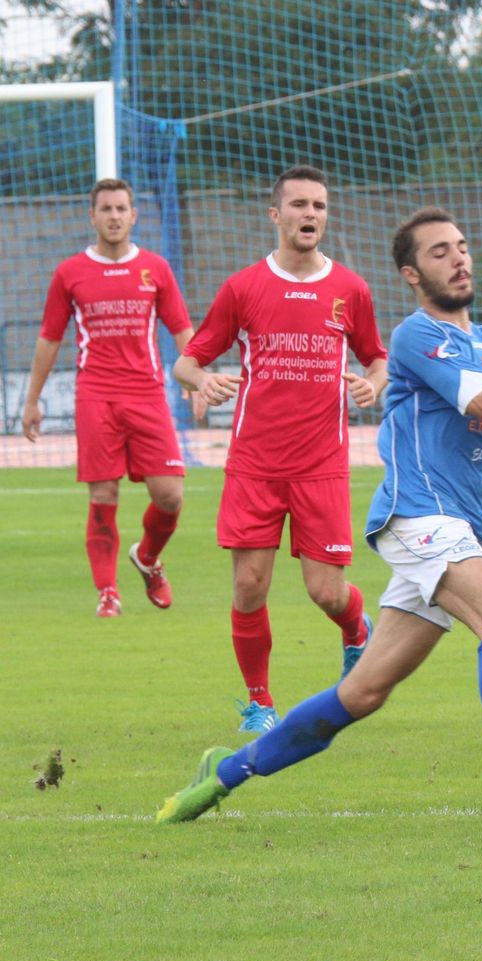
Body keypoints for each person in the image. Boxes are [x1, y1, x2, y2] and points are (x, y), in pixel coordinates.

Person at [157, 206, 482, 827]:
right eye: (439, 252)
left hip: (457, 526)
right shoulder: (415, 335)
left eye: (461, 246)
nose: (458, 258)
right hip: (418, 516)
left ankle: (222, 773)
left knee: (363, 693)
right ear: (411, 273)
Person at [174, 165, 388, 735]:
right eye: (298, 205)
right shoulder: (243, 288)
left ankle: (355, 630)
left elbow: (377, 357)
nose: (310, 214)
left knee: (326, 591)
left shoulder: (351, 289)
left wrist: (374, 383)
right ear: (276, 215)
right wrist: (201, 383)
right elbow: (187, 361)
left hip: (321, 464)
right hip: (254, 464)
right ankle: (259, 703)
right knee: (249, 586)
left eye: (318, 205)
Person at [23, 178, 196, 617]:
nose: (114, 216)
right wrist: (32, 399)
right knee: (102, 494)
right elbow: (49, 338)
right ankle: (108, 593)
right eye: (106, 209)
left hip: (147, 394)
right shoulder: (70, 273)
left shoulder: (155, 268)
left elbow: (181, 329)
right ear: (92, 216)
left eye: (121, 208)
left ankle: (148, 558)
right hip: (95, 395)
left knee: (170, 496)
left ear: (133, 215)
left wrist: (196, 379)